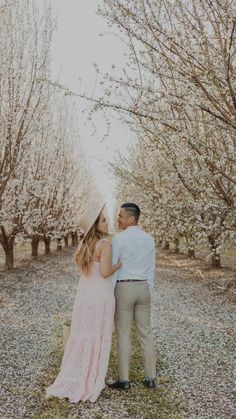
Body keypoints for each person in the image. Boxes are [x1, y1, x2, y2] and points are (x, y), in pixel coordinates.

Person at [45, 203, 121, 403]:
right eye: (104, 220)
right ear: (96, 226)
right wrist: (119, 265)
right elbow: (105, 272)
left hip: (85, 296)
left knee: (82, 334)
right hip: (101, 296)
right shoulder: (105, 245)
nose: (107, 222)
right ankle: (90, 379)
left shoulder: (84, 247)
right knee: (98, 335)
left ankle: (75, 374)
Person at [108, 202, 156, 390]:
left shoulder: (118, 239)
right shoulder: (149, 239)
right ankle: (150, 377)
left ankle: (124, 380)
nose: (117, 219)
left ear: (132, 219)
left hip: (124, 288)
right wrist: (148, 289)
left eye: (120, 216)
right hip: (143, 287)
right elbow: (151, 269)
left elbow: (113, 268)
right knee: (146, 333)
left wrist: (111, 293)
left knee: (123, 334)